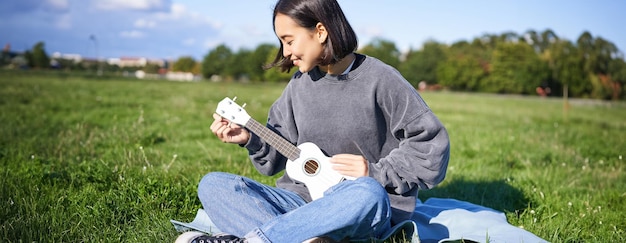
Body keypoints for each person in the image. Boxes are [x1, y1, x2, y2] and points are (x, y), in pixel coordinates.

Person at [177, 0, 450, 242]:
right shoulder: (298, 86)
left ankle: (258, 239)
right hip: (300, 204)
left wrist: (375, 172)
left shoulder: (381, 79)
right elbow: (277, 157)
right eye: (281, 42)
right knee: (213, 185)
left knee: (366, 192)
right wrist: (250, 139)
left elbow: (430, 147)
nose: (285, 52)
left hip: (360, 209)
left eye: (289, 40)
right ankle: (303, 237)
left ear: (320, 31)